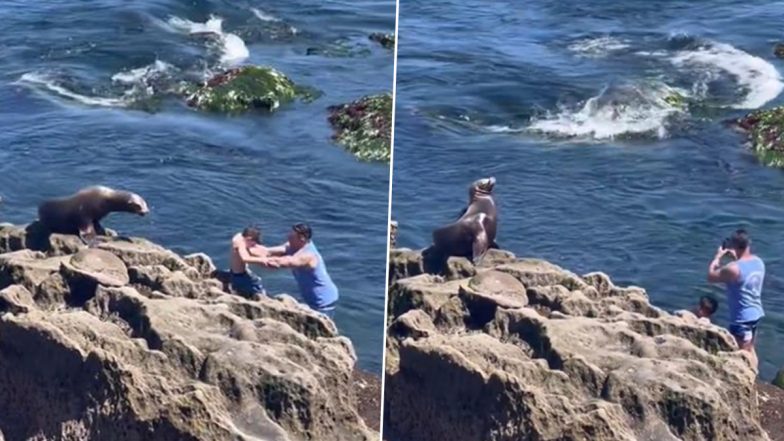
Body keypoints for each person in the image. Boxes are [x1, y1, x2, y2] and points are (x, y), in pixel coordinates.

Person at [707, 229, 765, 370]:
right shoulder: (759, 262)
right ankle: (755, 376)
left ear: (734, 246)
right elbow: (743, 271)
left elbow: (711, 276)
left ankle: (747, 381)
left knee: (741, 357)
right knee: (750, 350)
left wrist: (717, 257)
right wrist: (735, 258)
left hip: (741, 319)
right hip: (756, 314)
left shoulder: (732, 269)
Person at [266, 223, 339, 319]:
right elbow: (270, 251)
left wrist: (254, 259)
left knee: (319, 330)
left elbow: (286, 262)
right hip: (312, 299)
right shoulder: (293, 245)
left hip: (323, 302)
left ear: (302, 239)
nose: (288, 237)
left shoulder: (308, 255)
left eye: (292, 236)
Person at [230, 226, 278, 299]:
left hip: (240, 272)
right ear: (248, 239)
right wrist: (263, 260)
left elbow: (250, 249)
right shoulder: (240, 244)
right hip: (239, 277)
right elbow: (245, 258)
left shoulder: (240, 236)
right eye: (253, 244)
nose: (254, 246)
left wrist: (265, 253)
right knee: (258, 288)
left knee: (256, 278)